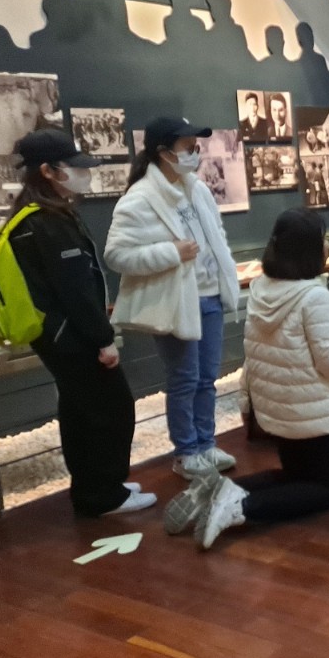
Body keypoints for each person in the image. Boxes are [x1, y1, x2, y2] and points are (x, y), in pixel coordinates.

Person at [164, 209, 329, 549]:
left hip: (281, 415)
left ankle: (220, 489)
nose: (327, 246)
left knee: (296, 477)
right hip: (318, 415)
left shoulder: (263, 288)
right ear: (308, 249)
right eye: (322, 239)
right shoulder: (315, 297)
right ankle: (239, 508)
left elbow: (296, 346)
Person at [6, 130, 155, 517]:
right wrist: (103, 339)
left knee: (81, 411)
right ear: (48, 171)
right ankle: (103, 494)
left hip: (56, 334)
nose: (83, 174)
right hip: (71, 336)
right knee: (109, 410)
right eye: (73, 166)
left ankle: (95, 487)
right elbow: (74, 290)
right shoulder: (48, 221)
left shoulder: (35, 216)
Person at [105, 117, 241, 480]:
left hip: (210, 296)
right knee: (184, 379)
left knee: (207, 378)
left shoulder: (197, 189)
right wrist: (170, 253)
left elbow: (216, 238)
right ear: (163, 152)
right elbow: (116, 255)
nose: (195, 152)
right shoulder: (140, 198)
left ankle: (206, 444)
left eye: (196, 146)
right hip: (178, 301)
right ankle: (186, 451)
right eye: (187, 147)